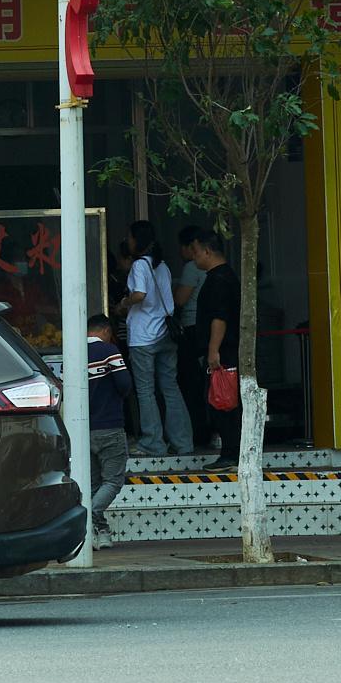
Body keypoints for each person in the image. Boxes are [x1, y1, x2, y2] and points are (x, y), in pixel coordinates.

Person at [121, 224, 182, 458]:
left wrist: (124, 304)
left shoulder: (139, 265)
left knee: (146, 391)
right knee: (170, 388)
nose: (127, 240)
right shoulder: (163, 266)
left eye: (129, 236)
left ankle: (153, 442)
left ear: (137, 240)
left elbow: (139, 294)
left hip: (143, 336)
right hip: (165, 334)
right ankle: (182, 441)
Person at [185, 227, 243, 465]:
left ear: (207, 251)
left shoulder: (219, 279)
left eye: (196, 251)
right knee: (221, 400)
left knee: (224, 401)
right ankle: (229, 452)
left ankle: (231, 453)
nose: (193, 256)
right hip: (223, 350)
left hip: (223, 353)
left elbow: (220, 317)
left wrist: (213, 350)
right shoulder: (223, 276)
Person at [81, 313, 132, 538]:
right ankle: (88, 516)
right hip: (110, 426)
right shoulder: (109, 351)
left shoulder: (75, 353)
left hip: (85, 430)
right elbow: (124, 384)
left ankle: (101, 535)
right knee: (112, 480)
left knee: (94, 483)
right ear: (106, 331)